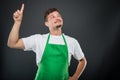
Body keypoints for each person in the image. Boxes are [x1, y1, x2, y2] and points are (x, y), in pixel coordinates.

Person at [7, 3, 87, 80]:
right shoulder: (38, 39)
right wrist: (17, 22)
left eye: (58, 16)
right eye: (52, 17)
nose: (57, 18)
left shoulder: (72, 42)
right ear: (46, 23)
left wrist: (75, 77)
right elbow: (12, 43)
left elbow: (83, 61)